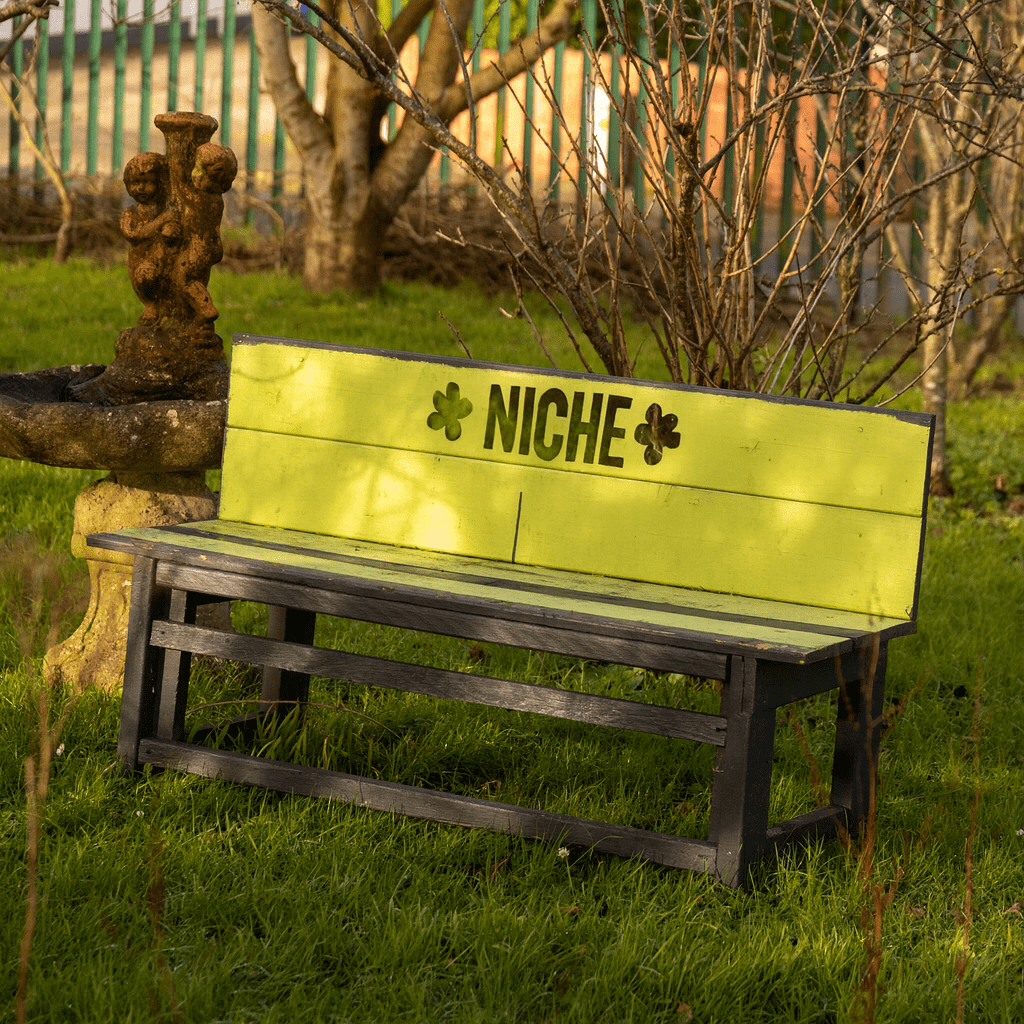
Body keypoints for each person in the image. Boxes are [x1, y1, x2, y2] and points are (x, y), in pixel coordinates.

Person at [119, 152, 181, 324]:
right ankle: (151, 305)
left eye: (148, 182)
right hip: (141, 267)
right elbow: (134, 235)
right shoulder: (130, 214)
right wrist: (161, 221)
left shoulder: (169, 211)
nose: (140, 188)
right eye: (135, 182)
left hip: (168, 263)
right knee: (145, 276)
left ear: (161, 183)